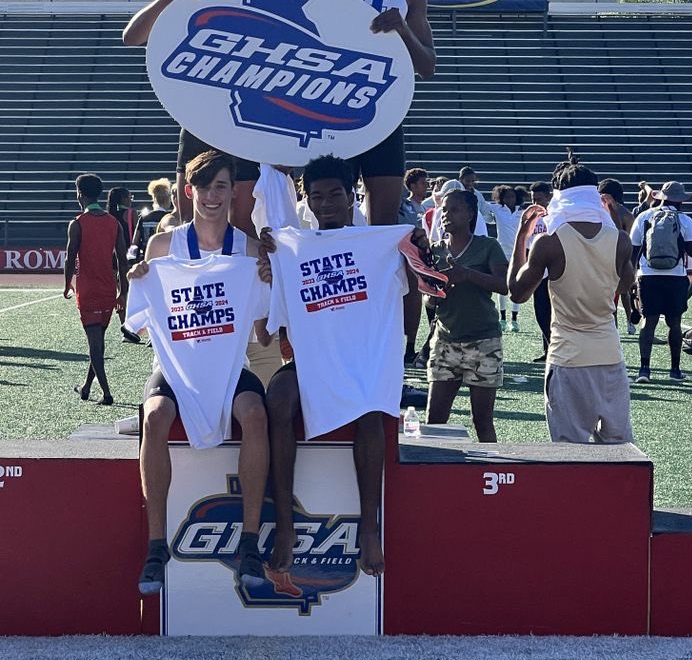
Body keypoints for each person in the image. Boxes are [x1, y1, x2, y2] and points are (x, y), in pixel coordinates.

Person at [263, 154, 425, 577]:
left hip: (360, 361)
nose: (327, 203)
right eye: (317, 196)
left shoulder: (380, 243)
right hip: (311, 360)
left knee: (370, 406)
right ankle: (284, 523)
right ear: (308, 201)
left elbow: (419, 285)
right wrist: (270, 260)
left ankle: (368, 527)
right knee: (278, 398)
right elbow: (271, 325)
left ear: (352, 195)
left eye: (335, 193)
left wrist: (416, 249)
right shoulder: (290, 245)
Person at [125, 151, 273, 594]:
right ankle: (156, 546)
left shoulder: (248, 250)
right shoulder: (163, 248)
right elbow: (136, 322)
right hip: (175, 370)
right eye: (204, 187)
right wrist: (136, 280)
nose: (212, 196)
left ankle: (249, 542)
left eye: (221, 187)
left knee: (255, 414)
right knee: (153, 417)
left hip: (230, 368)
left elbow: (264, 337)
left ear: (233, 191)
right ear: (189, 192)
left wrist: (269, 278)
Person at [122, 0, 277, 234]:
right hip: (202, 121)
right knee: (192, 229)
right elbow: (132, 36)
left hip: (254, 124)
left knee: (245, 231)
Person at [312, 0, 436, 225]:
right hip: (330, 111)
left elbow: (427, 67)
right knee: (332, 221)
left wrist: (403, 30)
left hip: (383, 113)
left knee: (384, 225)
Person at [508, 155, 636, 444]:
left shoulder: (549, 242)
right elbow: (627, 285)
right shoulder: (620, 241)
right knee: (618, 452)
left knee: (569, 454)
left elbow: (516, 292)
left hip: (568, 359)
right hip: (610, 357)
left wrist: (521, 237)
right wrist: (616, 225)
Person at [426, 190, 508, 442]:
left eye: (454, 210)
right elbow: (427, 298)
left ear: (470, 214)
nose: (446, 215)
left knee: (481, 420)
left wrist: (468, 275)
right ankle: (433, 473)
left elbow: (505, 285)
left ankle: (490, 471)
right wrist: (435, 293)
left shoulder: (487, 246)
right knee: (435, 419)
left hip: (483, 341)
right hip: (445, 341)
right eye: (444, 210)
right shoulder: (434, 251)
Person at [64, 173, 127, 405]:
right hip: (108, 289)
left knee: (95, 345)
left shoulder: (78, 223)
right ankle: (86, 387)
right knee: (97, 342)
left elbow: (70, 258)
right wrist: (124, 290)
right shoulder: (114, 222)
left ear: (80, 194)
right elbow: (122, 259)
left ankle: (107, 393)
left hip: (88, 290)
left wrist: (66, 283)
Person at [629, 181, 692, 383]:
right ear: (680, 201)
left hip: (648, 276)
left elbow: (633, 250)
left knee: (648, 322)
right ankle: (675, 371)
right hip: (675, 276)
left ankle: (644, 370)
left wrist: (632, 278)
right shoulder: (685, 220)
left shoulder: (644, 217)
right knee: (674, 323)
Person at [598, 178, 640, 335]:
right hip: (620, 257)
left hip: (611, 257)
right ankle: (625, 323)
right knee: (621, 293)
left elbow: (629, 237)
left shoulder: (623, 214)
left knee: (619, 293)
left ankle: (626, 322)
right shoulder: (625, 214)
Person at [399, 167, 428, 365]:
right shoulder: (404, 206)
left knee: (416, 302)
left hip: (420, 262)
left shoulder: (424, 208)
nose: (426, 187)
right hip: (404, 260)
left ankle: (411, 346)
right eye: (422, 183)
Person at [486, 184, 523, 332]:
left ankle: (514, 319)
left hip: (517, 252)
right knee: (502, 285)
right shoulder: (497, 209)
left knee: (517, 285)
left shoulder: (522, 212)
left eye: (512, 196)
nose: (510, 199)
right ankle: (502, 318)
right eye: (507, 196)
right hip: (501, 252)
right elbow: (483, 207)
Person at [528, 180, 553, 362]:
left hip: (554, 272)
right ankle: (548, 348)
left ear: (548, 197)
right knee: (541, 313)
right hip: (538, 272)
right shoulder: (532, 217)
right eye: (533, 198)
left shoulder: (554, 215)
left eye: (539, 198)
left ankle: (555, 349)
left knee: (555, 314)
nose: (535, 202)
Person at [131, 178, 173, 261]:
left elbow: (134, 242)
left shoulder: (143, 218)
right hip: (164, 259)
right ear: (168, 200)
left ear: (154, 198)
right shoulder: (170, 218)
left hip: (146, 259)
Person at [107, 186, 136, 252]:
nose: (131, 200)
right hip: (128, 250)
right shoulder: (131, 213)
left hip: (113, 251)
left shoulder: (109, 215)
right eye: (130, 197)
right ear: (124, 199)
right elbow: (137, 233)